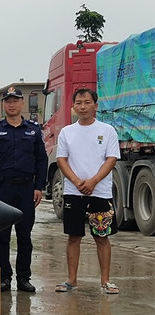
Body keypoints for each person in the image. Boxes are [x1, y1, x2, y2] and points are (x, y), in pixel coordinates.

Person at [54, 88, 120, 294]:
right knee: (74, 236)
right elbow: (61, 160)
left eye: (87, 102)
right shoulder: (67, 132)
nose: (83, 107)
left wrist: (93, 181)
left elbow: (111, 159)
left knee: (102, 236)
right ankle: (71, 280)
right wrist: (76, 181)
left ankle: (106, 281)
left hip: (100, 192)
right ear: (73, 106)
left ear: (96, 106)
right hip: (74, 192)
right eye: (79, 103)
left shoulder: (107, 130)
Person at [0, 87, 48, 292]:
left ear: (22, 103)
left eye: (15, 100)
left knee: (24, 235)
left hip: (26, 188)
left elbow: (41, 159)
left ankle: (23, 278)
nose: (11, 104)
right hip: (2, 188)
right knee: (2, 236)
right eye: (8, 101)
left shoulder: (33, 130)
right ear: (4, 105)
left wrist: (39, 186)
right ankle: (4, 277)